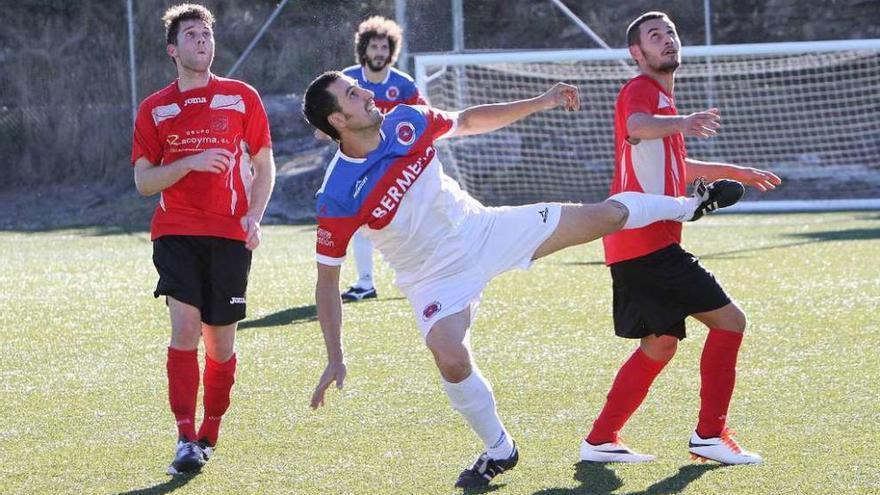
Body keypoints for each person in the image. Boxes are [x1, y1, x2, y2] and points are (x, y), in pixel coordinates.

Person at [301, 70, 743, 488]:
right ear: (338, 120)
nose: (366, 93)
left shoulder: (409, 120)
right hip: (431, 277)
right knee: (449, 355)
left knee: (603, 216)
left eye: (359, 87)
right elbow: (326, 283)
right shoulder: (337, 192)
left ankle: (689, 205)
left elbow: (470, 120)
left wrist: (542, 100)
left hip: (485, 230)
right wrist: (335, 356)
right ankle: (499, 449)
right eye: (352, 95)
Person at [579, 11, 781, 466]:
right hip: (646, 244)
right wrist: (684, 121)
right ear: (638, 53)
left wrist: (732, 171)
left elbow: (674, 167)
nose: (668, 40)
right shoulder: (641, 90)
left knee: (659, 344)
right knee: (731, 322)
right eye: (655, 36)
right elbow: (637, 126)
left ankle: (599, 440)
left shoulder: (663, 104)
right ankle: (710, 435)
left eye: (670, 33)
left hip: (637, 245)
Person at [130, 3, 276, 475]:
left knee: (221, 346)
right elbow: (144, 182)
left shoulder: (241, 97)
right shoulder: (154, 108)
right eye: (192, 35)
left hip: (230, 236)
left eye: (207, 35)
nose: (202, 41)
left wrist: (253, 216)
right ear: (173, 49)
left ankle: (210, 429)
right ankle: (184, 435)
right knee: (185, 329)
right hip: (176, 233)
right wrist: (188, 164)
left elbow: (264, 165)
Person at [339, 16, 427, 302]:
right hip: (361, 164)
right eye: (374, 47)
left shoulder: (403, 84)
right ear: (363, 50)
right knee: (362, 222)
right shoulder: (347, 81)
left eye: (384, 48)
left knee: (412, 222)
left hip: (400, 166)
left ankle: (425, 274)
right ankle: (365, 283)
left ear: (392, 52)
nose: (379, 53)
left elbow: (424, 118)